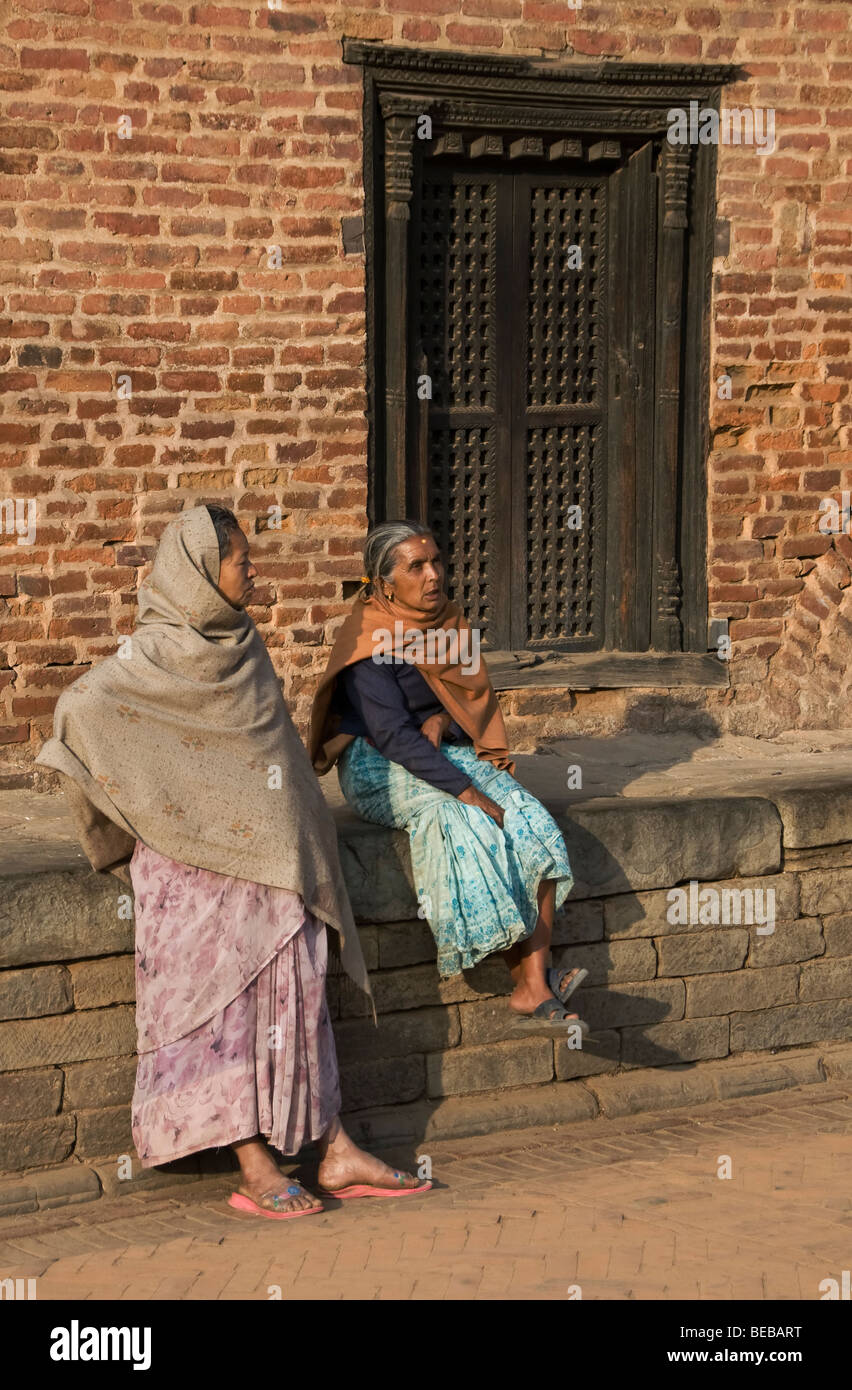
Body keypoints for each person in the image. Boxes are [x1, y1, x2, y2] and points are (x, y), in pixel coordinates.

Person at [37, 505, 430, 1220]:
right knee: (216, 1006)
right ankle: (252, 1159)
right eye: (240, 561)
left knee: (297, 988)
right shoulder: (150, 656)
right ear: (196, 571)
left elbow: (266, 757)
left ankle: (333, 1147)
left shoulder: (242, 645)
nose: (253, 572)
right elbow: (80, 710)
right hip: (188, 870)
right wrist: (148, 810)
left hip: (266, 863)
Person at [309, 519, 589, 1036]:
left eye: (436, 560)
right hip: (376, 764)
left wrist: (441, 717)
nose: (434, 574)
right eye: (417, 566)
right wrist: (465, 789)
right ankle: (533, 982)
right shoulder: (367, 642)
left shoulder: (448, 625)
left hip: (443, 748)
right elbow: (392, 734)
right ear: (385, 582)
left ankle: (534, 985)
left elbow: (456, 702)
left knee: (531, 819)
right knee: (467, 821)